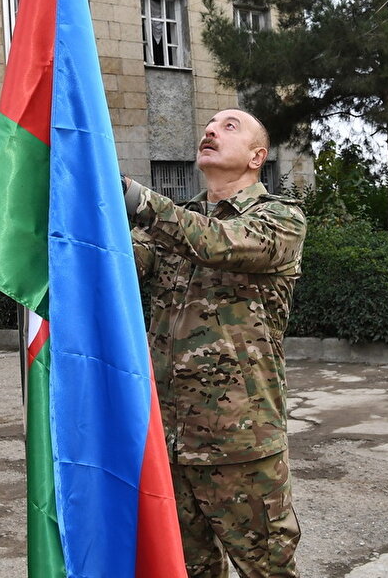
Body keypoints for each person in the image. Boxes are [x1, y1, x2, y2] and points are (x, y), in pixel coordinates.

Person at [122, 109, 307, 578]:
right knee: (186, 571)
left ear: (256, 157)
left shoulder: (280, 220)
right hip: (168, 443)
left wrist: (135, 199)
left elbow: (218, 244)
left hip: (240, 443)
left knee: (267, 570)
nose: (209, 130)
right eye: (208, 125)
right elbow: (114, 267)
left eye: (229, 127)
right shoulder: (168, 228)